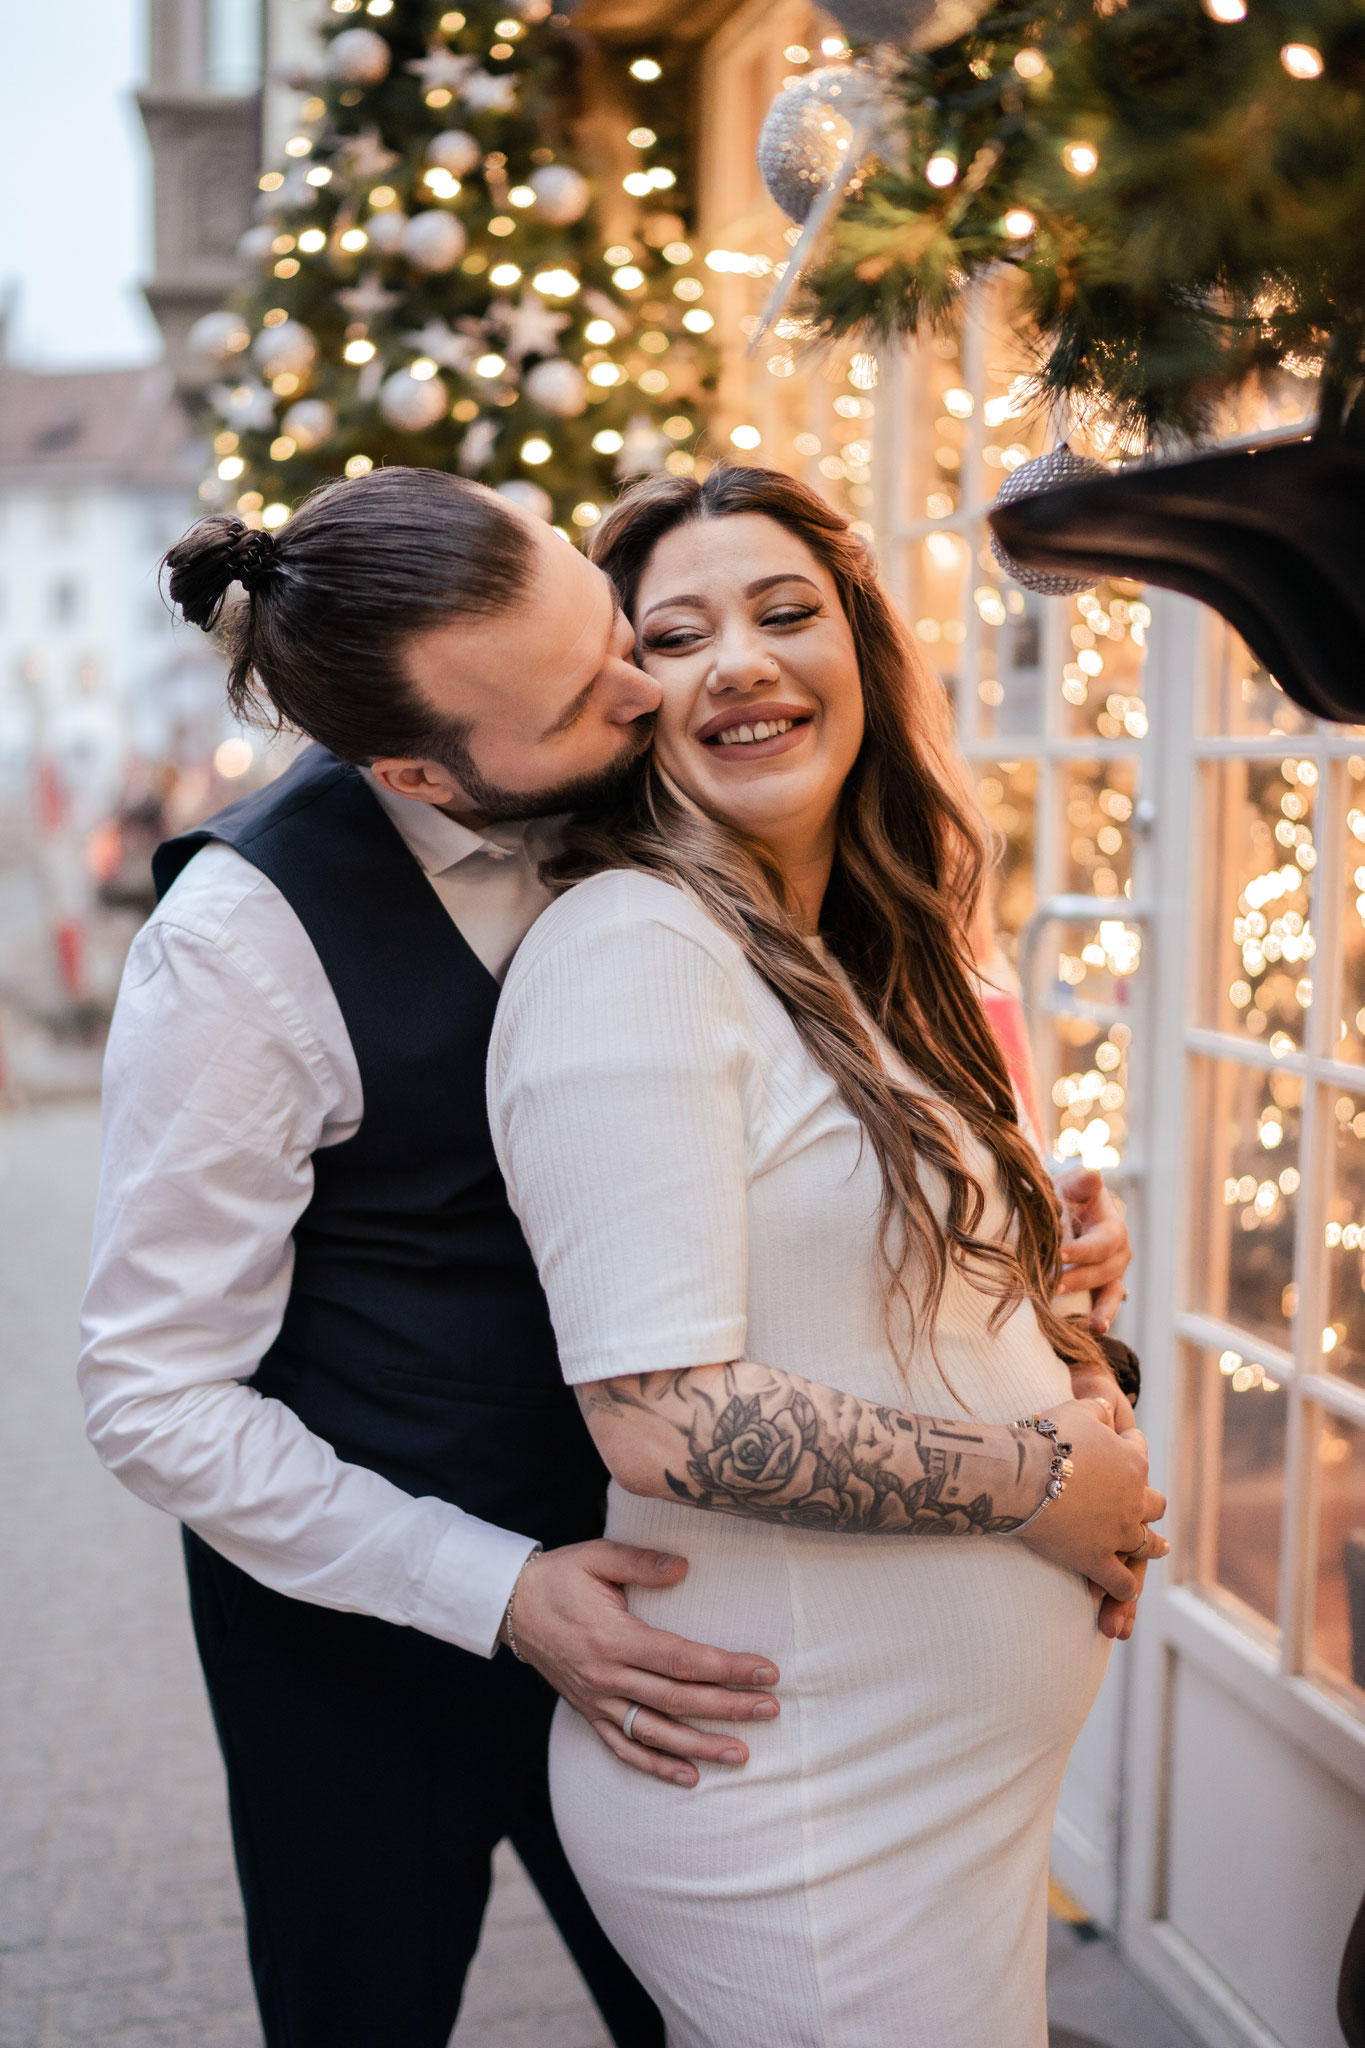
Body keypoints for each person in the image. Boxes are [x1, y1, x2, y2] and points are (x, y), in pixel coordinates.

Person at [78, 466, 1137, 2048]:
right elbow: (151, 1396)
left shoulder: (680, 813)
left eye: (613, 628)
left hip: (700, 1604)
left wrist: (1013, 1235)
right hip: (374, 1635)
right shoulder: (241, 949)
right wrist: (498, 1592)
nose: (654, 689)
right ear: (422, 775)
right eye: (590, 696)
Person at [485, 464, 1168, 2048]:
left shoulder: (863, 952)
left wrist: (1050, 1295)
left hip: (934, 1802)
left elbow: (872, 1284)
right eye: (678, 634)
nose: (740, 659)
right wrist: (1040, 1484)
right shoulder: (631, 952)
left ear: (858, 647)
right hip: (803, 1817)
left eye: (786, 612)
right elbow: (662, 1414)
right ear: (621, 700)